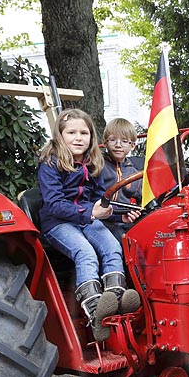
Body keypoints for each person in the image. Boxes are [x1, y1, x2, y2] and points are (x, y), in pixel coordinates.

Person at [38, 108, 141, 340]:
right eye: (71, 132)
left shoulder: (91, 162)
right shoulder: (50, 162)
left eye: (84, 133)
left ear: (91, 137)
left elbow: (98, 200)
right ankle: (95, 312)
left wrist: (117, 215)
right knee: (86, 253)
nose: (78, 138)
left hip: (86, 219)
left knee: (113, 247)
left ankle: (115, 298)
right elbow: (54, 204)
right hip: (58, 223)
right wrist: (89, 213)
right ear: (60, 135)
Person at [100, 117, 145, 244]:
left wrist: (136, 212)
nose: (118, 145)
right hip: (102, 219)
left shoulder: (134, 173)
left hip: (125, 219)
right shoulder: (98, 166)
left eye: (124, 141)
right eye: (113, 140)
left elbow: (143, 201)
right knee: (122, 238)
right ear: (104, 142)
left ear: (132, 145)